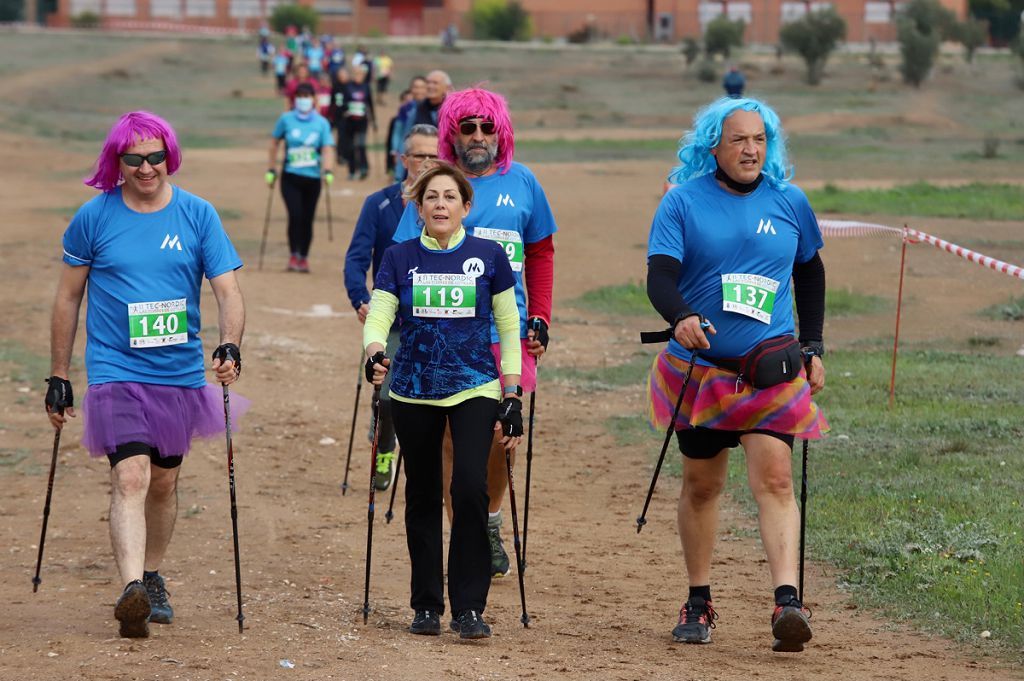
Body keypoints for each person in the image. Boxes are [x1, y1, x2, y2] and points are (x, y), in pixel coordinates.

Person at [45, 111, 246, 639]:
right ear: (118, 161)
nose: (146, 167)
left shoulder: (198, 215)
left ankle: (152, 575)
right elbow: (68, 296)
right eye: (133, 158)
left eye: (155, 156)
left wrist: (230, 343)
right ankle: (131, 589)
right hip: (115, 368)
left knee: (163, 481)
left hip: (177, 372)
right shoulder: (94, 217)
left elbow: (228, 290)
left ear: (169, 156)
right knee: (130, 475)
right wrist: (59, 373)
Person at [644, 96, 827, 652]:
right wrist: (681, 317)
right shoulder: (682, 203)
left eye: (760, 139)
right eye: (739, 139)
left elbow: (811, 273)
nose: (751, 149)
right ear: (713, 147)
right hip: (701, 374)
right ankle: (698, 601)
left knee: (774, 476)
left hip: (772, 372)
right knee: (703, 486)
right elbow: (660, 277)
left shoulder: (790, 202)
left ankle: (787, 601)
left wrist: (814, 345)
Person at [391, 87, 557, 579]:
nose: (479, 136)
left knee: (496, 437)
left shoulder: (524, 183)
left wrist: (541, 317)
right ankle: (465, 535)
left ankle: (487, 519)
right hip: (441, 335)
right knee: (447, 443)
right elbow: (401, 259)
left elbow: (542, 255)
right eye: (468, 127)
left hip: (504, 334)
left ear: (500, 131)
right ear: (453, 134)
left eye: (487, 126)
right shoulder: (436, 185)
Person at [363, 162, 523, 639]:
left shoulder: (490, 256)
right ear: (418, 207)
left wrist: (512, 391)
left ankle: (470, 607)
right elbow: (380, 316)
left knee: (471, 488)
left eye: (450, 197)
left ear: (465, 207)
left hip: (475, 385)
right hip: (413, 388)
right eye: (431, 197)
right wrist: (374, 351)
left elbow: (509, 326)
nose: (440, 205)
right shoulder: (398, 256)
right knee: (423, 493)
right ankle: (427, 604)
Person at [344, 124, 439, 491]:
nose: (428, 162)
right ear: (404, 160)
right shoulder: (379, 204)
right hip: (392, 318)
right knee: (387, 396)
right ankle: (385, 444)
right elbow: (356, 259)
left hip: (437, 319)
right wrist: (361, 299)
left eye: (435, 155)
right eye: (420, 156)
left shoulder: (450, 203)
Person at [267, 82, 336, 272]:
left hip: (312, 179)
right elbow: (274, 143)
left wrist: (328, 170)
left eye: (307, 96)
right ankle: (293, 255)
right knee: (295, 215)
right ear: (294, 99)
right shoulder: (286, 119)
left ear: (313, 99)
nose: (303, 100)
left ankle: (304, 256)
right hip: (290, 177)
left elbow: (327, 148)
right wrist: (271, 169)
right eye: (300, 96)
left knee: (307, 218)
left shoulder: (321, 123)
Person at [335, 64, 376, 181]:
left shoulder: (366, 87)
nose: (359, 76)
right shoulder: (347, 86)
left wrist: (374, 120)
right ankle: (352, 170)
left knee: (361, 145)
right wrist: (345, 110)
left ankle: (364, 168)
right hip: (349, 122)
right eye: (357, 74)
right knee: (351, 147)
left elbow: (370, 104)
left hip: (362, 122)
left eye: (361, 74)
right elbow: (341, 103)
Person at [391, 75, 427, 183]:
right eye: (416, 87)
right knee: (401, 180)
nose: (419, 90)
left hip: (425, 151)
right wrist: (395, 150)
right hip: (407, 149)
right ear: (411, 89)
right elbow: (398, 131)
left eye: (422, 87)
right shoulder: (405, 108)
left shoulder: (432, 108)